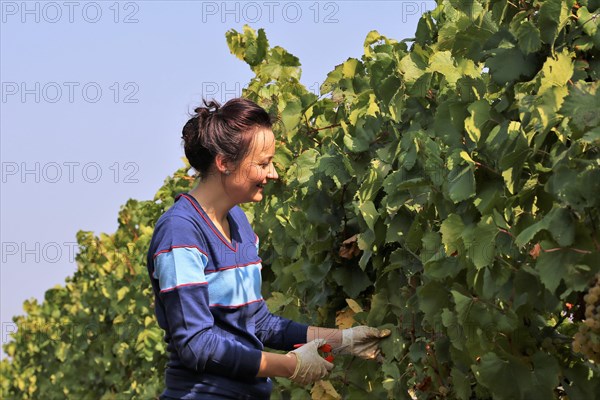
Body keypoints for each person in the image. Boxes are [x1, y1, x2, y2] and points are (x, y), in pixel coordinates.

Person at [146, 97, 390, 399]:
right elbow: (197, 345)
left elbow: (259, 323)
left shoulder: (238, 222)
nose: (273, 173)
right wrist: (289, 365)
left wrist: (343, 340)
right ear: (224, 163)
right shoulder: (180, 232)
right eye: (263, 163)